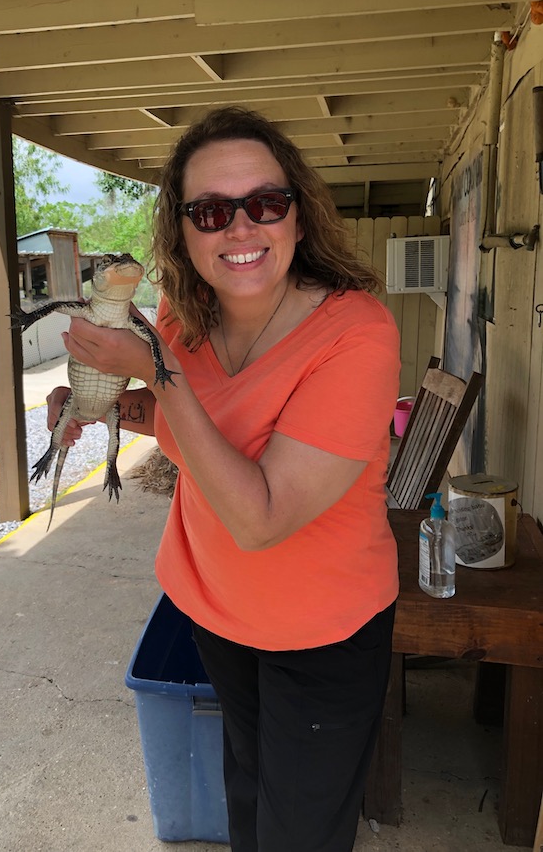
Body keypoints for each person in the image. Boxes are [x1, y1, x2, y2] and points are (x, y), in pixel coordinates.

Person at [46, 106, 401, 852]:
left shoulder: (355, 333)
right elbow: (192, 428)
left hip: (322, 631)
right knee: (246, 802)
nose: (240, 229)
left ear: (298, 218)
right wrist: (106, 402)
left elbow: (261, 515)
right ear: (183, 233)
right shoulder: (181, 316)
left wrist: (151, 371)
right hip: (217, 610)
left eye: (264, 204)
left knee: (299, 834)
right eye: (210, 211)